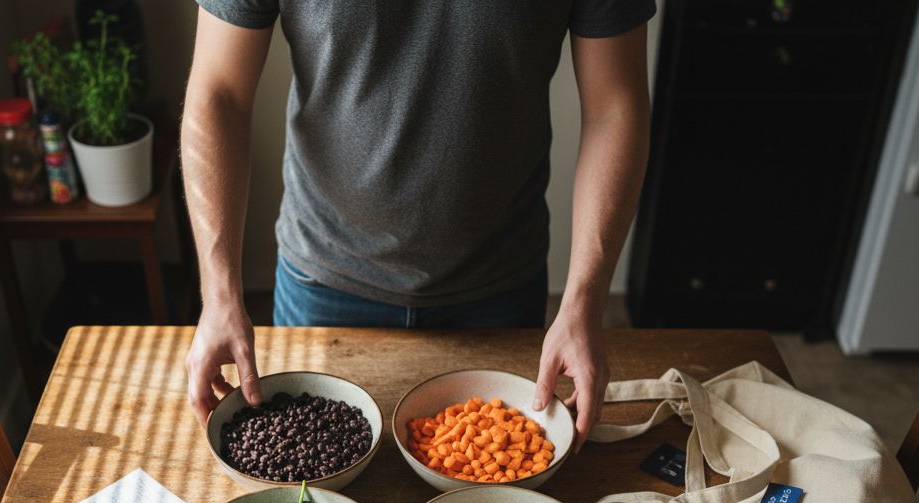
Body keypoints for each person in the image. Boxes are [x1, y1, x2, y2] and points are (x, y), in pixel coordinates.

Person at [182, 0, 653, 450]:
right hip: (323, 286)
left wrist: (585, 302)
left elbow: (616, 107)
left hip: (499, 291)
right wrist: (219, 295)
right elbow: (218, 92)